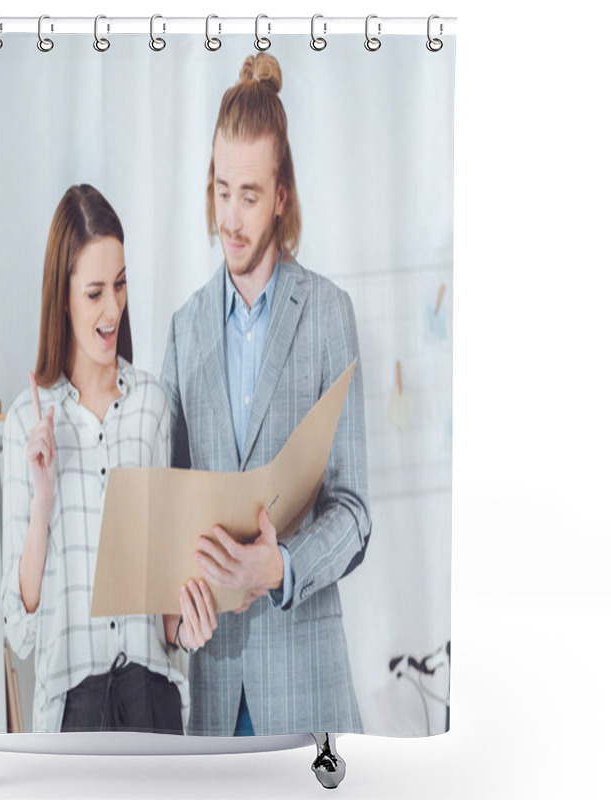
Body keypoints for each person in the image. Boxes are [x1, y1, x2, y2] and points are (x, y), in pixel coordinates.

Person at [160, 53, 372, 736]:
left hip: (306, 686)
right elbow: (168, 515)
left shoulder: (329, 316)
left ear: (282, 195)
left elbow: (354, 512)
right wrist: (173, 607)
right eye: (222, 190)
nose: (231, 216)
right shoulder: (184, 330)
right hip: (216, 694)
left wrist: (278, 565)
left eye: (249, 195)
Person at [1, 184, 214, 733]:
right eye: (94, 292)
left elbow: (168, 608)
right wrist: (43, 498)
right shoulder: (27, 423)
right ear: (62, 297)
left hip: (154, 700)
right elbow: (19, 630)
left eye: (119, 286)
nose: (113, 308)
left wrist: (190, 625)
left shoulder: (154, 407)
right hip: (73, 710)